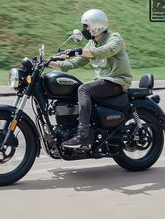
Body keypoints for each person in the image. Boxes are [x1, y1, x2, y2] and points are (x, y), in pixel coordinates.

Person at [49, 9, 133, 149]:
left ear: (96, 26)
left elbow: (104, 52)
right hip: (103, 82)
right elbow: (73, 63)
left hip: (117, 81)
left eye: (86, 26)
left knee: (84, 89)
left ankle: (82, 135)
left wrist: (79, 51)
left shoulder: (115, 38)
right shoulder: (91, 44)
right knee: (74, 89)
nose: (84, 30)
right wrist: (49, 62)